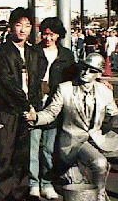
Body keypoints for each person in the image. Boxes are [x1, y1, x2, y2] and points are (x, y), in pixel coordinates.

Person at [25, 52, 118, 201]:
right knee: (99, 163)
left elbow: (114, 118)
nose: (86, 73)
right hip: (75, 141)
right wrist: (35, 117)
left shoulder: (104, 91)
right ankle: (99, 197)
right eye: (85, 68)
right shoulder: (65, 89)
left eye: (92, 70)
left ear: (98, 74)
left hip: (100, 138)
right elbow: (51, 113)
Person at [0, 7, 47, 201]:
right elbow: (6, 84)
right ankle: (0, 196)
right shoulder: (0, 54)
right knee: (3, 156)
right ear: (11, 27)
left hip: (26, 112)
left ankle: (19, 195)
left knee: (22, 158)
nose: (22, 30)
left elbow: (37, 84)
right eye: (18, 25)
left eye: (27, 25)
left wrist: (33, 108)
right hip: (7, 112)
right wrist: (26, 106)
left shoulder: (34, 53)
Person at [29, 17, 75, 200]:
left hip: (55, 105)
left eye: (52, 34)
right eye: (45, 33)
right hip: (34, 102)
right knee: (33, 147)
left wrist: (101, 81)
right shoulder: (33, 52)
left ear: (58, 35)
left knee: (49, 149)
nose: (48, 38)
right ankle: (33, 183)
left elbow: (74, 78)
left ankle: (46, 183)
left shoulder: (66, 55)